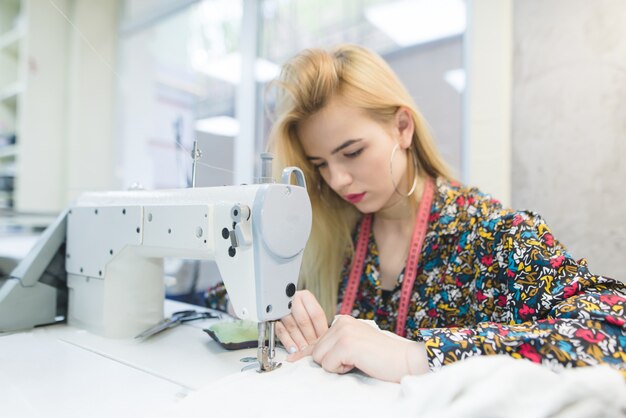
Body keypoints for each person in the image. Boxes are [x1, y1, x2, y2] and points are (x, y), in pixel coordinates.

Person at [207, 44, 626, 383]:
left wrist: (416, 355)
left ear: (402, 128)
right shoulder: (333, 231)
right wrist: (277, 306)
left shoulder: (491, 235)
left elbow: (613, 329)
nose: (337, 180)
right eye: (320, 164)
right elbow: (222, 296)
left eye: (352, 152)